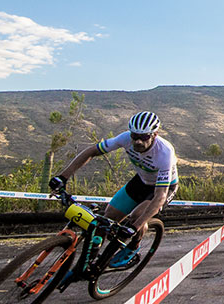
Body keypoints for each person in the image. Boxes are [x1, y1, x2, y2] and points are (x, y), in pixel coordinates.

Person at [50, 111, 178, 268]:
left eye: (144, 137)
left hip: (164, 187)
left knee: (137, 216)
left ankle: (133, 246)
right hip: (142, 181)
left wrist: (134, 227)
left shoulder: (165, 153)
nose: (137, 141)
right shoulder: (125, 139)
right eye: (134, 136)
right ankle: (90, 262)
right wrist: (62, 177)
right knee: (108, 217)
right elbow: (92, 151)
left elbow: (159, 197)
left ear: (154, 134)